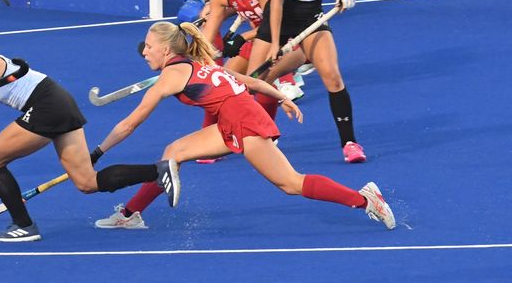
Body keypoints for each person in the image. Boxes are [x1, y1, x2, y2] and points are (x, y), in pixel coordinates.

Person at [94, 21, 395, 230]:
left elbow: (129, 125)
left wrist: (97, 152)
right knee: (172, 152)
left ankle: (365, 200)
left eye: (148, 47)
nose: (143, 52)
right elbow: (247, 80)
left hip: (243, 122)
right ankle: (131, 214)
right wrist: (281, 97)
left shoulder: (172, 76)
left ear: (166, 51)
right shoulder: (201, 64)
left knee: (290, 183)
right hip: (234, 119)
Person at [0, 18, 180, 242]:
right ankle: (157, 171)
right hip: (59, 102)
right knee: (86, 182)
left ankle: (23, 225)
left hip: (45, 104)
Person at [248, 0, 367, 163]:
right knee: (255, 81)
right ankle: (248, 133)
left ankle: (350, 143)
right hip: (280, 14)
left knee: (333, 77)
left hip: (311, 17)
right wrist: (277, 42)